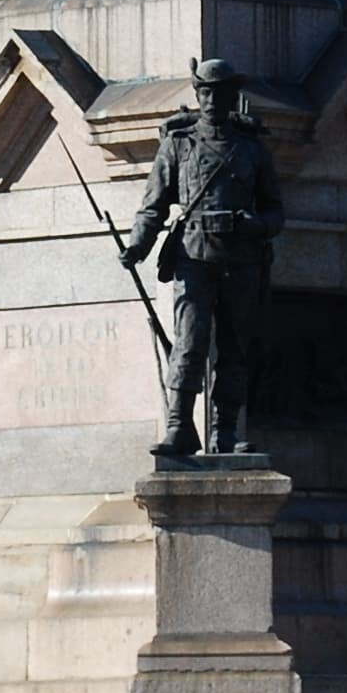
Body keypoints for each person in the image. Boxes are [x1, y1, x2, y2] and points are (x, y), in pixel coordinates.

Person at [120, 58, 284, 462]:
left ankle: (224, 433)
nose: (212, 100)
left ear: (232, 96)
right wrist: (137, 246)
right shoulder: (178, 145)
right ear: (197, 96)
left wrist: (256, 226)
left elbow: (276, 211)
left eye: (219, 92)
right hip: (194, 256)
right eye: (205, 92)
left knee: (234, 350)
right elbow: (153, 206)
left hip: (243, 259)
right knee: (189, 345)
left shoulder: (252, 150)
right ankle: (179, 426)